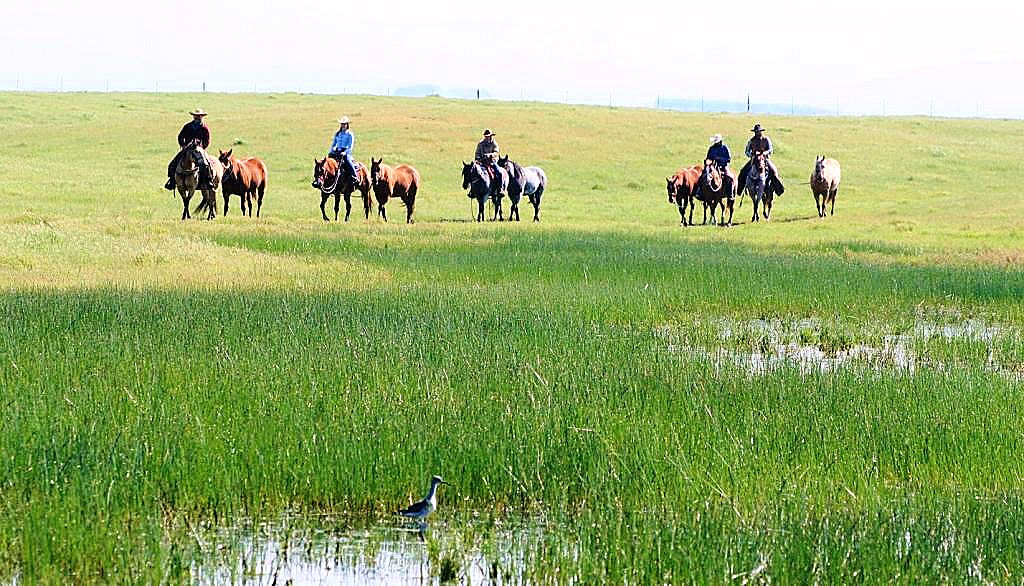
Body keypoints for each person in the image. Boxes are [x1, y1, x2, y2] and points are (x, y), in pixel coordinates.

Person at [165, 108, 213, 190]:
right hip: (187, 149)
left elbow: (207, 141)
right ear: (193, 116)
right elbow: (180, 136)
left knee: (206, 164)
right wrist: (183, 145)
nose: (197, 117)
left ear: (202, 116)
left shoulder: (205, 128)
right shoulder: (187, 126)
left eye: (199, 116)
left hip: (199, 150)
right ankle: (172, 181)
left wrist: (201, 148)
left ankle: (208, 181)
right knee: (173, 163)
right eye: (196, 116)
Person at [738, 123, 784, 194]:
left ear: (761, 131)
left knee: (773, 171)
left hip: (765, 159)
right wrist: (751, 155)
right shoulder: (751, 141)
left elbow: (770, 149)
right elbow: (746, 151)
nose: (757, 133)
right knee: (743, 171)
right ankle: (740, 190)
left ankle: (778, 189)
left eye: (758, 131)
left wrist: (764, 153)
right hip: (754, 159)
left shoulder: (766, 139)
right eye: (756, 131)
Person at [328, 116, 358, 182]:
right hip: (337, 151)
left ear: (347, 124)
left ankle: (355, 176)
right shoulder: (337, 134)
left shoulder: (350, 134)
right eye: (342, 124)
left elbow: (350, 146)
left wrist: (345, 152)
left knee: (347, 160)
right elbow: (334, 143)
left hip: (345, 152)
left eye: (344, 124)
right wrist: (332, 150)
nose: (343, 125)